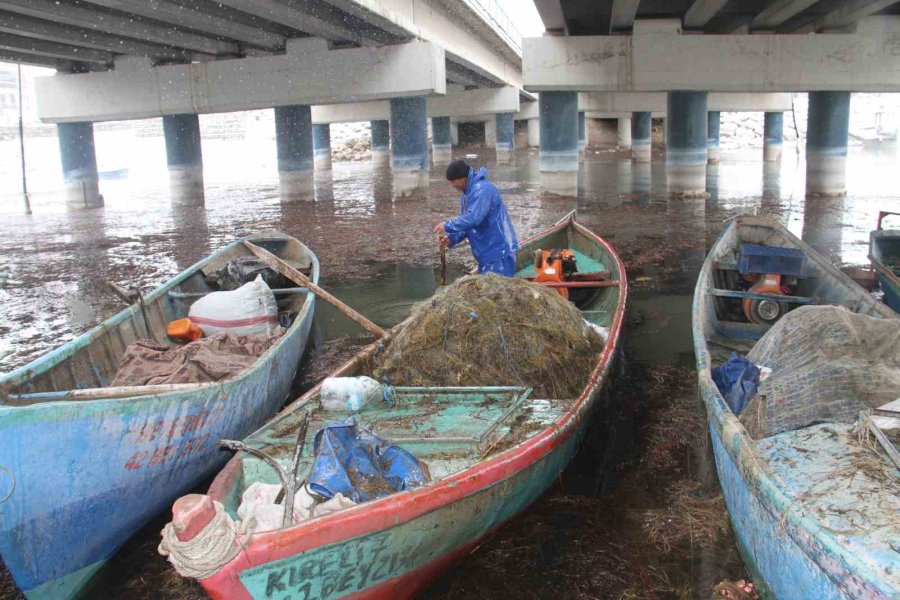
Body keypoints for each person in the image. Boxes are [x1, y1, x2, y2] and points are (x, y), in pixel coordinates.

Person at [433, 159, 520, 277]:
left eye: (454, 181)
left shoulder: (483, 190)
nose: (453, 185)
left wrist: (447, 225)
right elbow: (467, 225)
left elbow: (474, 218)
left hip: (499, 252)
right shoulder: (466, 196)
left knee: (497, 292)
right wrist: (451, 239)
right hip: (485, 255)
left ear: (463, 178)